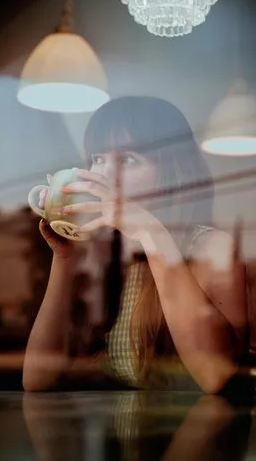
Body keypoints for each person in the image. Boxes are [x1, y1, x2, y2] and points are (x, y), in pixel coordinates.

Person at [23, 96, 248, 393]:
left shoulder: (212, 248)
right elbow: (36, 380)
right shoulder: (111, 255)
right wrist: (66, 259)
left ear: (172, 173)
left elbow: (219, 377)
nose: (105, 174)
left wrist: (149, 231)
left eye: (128, 160)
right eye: (98, 159)